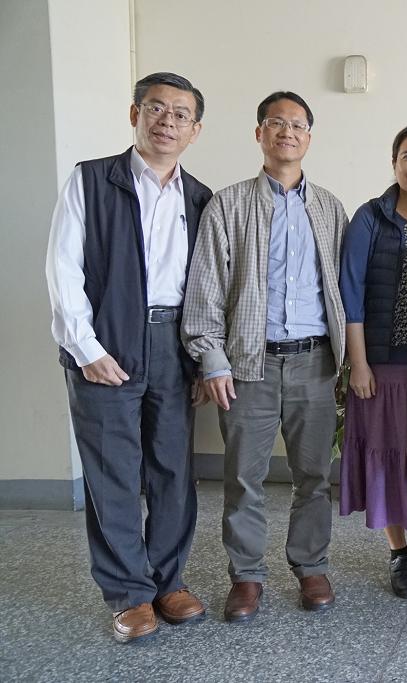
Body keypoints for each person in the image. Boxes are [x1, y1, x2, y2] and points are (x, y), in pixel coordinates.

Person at [45, 72, 211, 642]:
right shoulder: (91, 180)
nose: (168, 121)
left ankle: (168, 582)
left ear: (195, 130)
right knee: (113, 471)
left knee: (173, 470)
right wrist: (85, 348)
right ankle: (128, 593)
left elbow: (207, 285)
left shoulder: (201, 198)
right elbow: (62, 267)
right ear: (135, 114)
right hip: (106, 341)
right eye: (156, 108)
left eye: (181, 114)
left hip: (174, 344)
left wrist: (200, 356)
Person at [182, 91, 348, 622]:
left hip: (315, 362)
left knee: (313, 475)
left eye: (297, 125)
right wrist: (211, 357)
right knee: (243, 478)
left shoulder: (330, 208)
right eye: (277, 123)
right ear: (259, 133)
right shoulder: (228, 204)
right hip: (247, 364)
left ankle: (311, 565)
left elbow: (343, 290)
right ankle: (247, 575)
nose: (287, 132)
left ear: (309, 138)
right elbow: (206, 287)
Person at [338, 123, 407, 599]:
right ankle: (399, 551)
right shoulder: (370, 217)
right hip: (382, 363)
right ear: (393, 162)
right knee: (389, 456)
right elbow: (351, 291)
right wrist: (358, 363)